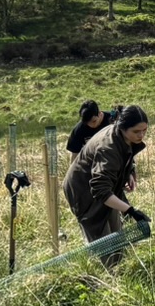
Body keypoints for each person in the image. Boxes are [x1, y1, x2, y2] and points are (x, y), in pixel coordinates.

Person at [62, 103, 149, 258]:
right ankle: (105, 271)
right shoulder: (108, 146)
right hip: (83, 190)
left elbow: (123, 157)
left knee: (117, 236)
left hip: (105, 187)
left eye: (144, 130)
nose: (141, 135)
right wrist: (131, 211)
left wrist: (128, 172)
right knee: (103, 243)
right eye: (136, 131)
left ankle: (119, 266)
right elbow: (100, 190)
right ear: (123, 127)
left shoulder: (122, 136)